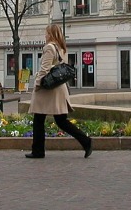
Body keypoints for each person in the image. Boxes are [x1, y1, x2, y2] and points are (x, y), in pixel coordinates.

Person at [26, 24, 92, 159]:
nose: (45, 35)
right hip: (59, 88)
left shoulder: (49, 47)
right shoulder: (61, 48)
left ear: (50, 34)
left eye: (46, 33)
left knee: (39, 119)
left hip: (48, 90)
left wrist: (37, 85)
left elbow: (44, 69)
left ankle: (38, 151)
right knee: (61, 121)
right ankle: (86, 141)